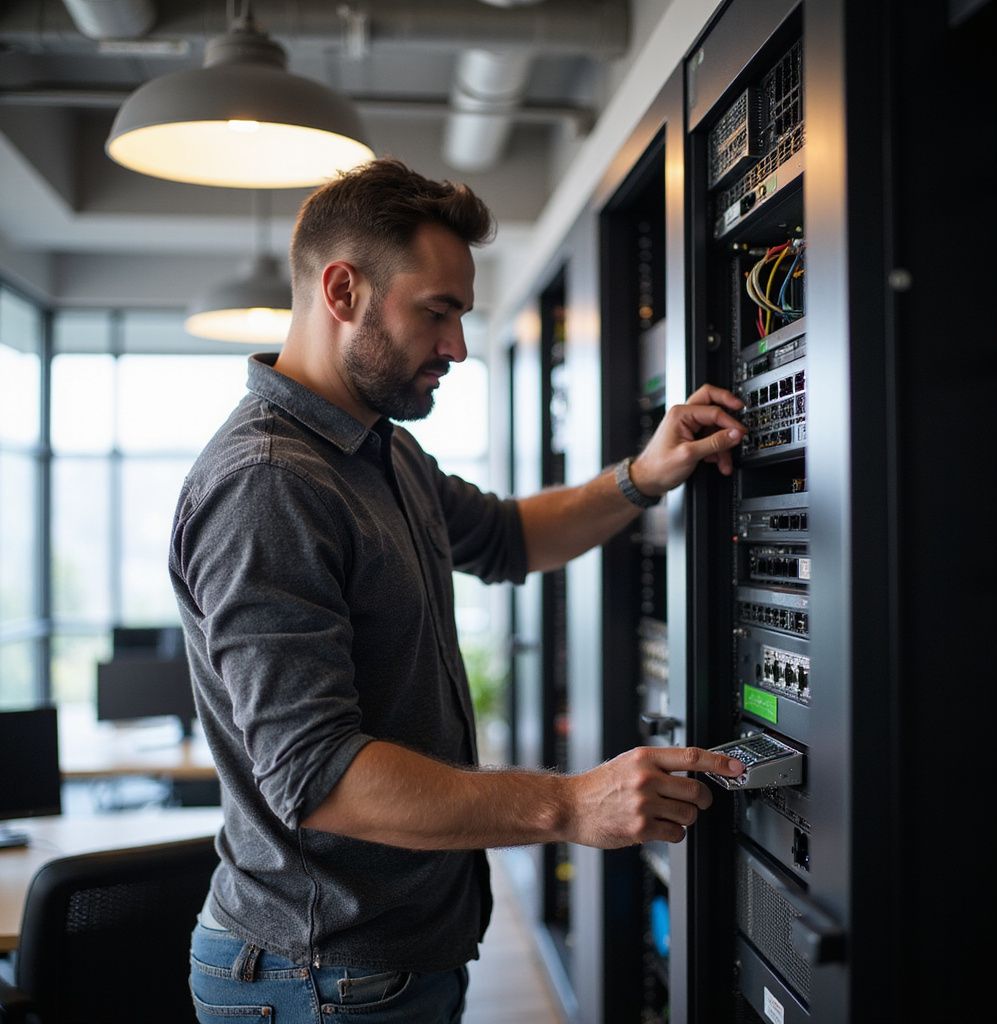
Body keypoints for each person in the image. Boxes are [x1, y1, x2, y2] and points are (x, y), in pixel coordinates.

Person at [171, 158, 748, 1024]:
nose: (457, 347)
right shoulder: (268, 483)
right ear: (342, 291)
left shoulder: (379, 447)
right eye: (436, 312)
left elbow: (510, 536)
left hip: (386, 959)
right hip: (317, 976)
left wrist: (643, 474)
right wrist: (569, 803)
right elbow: (318, 776)